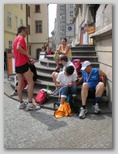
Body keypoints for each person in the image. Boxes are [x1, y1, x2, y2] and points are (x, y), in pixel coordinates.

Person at [12, 26, 35, 111]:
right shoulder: (21, 38)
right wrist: (28, 55)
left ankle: (21, 103)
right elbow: (19, 48)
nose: (26, 33)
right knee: (31, 82)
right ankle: (29, 103)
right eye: (26, 31)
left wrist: (28, 58)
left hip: (17, 64)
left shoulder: (15, 39)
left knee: (20, 83)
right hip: (23, 64)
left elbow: (14, 51)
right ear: (22, 31)